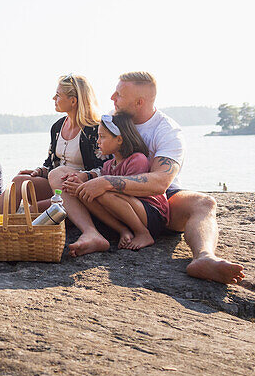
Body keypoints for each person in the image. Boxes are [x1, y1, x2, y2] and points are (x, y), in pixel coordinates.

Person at [69, 72, 245, 284]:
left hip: (159, 199)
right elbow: (102, 162)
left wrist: (106, 182)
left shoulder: (167, 131)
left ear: (139, 102)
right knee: (61, 176)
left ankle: (204, 258)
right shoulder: (112, 119)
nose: (112, 98)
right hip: (111, 198)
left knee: (204, 203)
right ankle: (92, 233)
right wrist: (86, 175)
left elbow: (161, 182)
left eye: (119, 94)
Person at [0, 74, 106, 216]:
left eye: (58, 95)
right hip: (56, 186)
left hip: (78, 190)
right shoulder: (57, 127)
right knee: (19, 181)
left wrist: (83, 176)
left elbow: (106, 168)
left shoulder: (94, 129)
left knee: (31, 211)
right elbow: (50, 165)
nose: (54, 99)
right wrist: (38, 171)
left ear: (73, 101)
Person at [77, 113, 169, 250]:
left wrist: (102, 185)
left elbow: (131, 194)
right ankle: (122, 230)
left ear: (119, 139)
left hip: (150, 213)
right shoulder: (108, 165)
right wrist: (79, 185)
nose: (98, 141)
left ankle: (143, 233)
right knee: (84, 192)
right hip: (128, 214)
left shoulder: (137, 159)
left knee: (103, 192)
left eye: (102, 137)